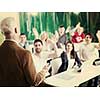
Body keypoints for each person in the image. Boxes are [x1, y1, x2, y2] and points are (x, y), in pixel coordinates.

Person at [0, 17, 48, 87]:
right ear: (16, 30)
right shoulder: (24, 54)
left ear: (2, 33)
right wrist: (44, 70)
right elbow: (34, 81)